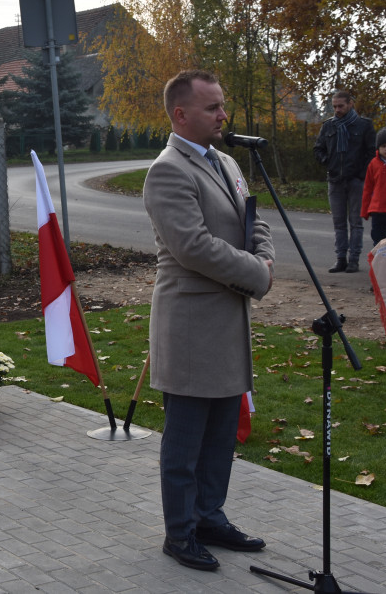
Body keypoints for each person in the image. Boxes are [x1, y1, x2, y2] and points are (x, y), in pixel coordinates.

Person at [143, 70, 274, 572]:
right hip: (192, 323)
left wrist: (262, 259)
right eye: (213, 107)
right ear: (181, 114)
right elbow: (193, 247)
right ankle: (180, 533)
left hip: (227, 319)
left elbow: (252, 222)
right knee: (186, 439)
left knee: (221, 433)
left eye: (222, 105)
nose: (224, 115)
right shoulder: (168, 170)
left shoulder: (226, 161)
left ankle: (209, 516)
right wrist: (257, 275)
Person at [313, 90, 376, 273]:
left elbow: (371, 152)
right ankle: (340, 258)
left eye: (340, 106)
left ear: (350, 104)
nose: (337, 110)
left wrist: (361, 174)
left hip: (356, 180)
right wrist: (328, 163)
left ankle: (354, 259)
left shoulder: (364, 125)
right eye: (334, 106)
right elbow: (318, 149)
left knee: (356, 222)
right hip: (335, 179)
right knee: (338, 222)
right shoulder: (329, 126)